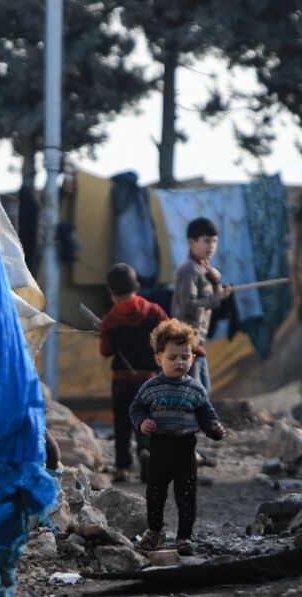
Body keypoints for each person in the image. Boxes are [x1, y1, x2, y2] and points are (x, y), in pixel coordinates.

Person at [129, 319, 227, 556]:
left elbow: (206, 413)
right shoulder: (150, 387)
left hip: (185, 448)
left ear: (192, 358)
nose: (179, 362)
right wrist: (143, 422)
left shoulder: (195, 389)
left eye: (184, 357)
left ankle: (184, 537)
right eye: (172, 357)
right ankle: (154, 530)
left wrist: (214, 428)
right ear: (158, 359)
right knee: (155, 493)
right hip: (160, 447)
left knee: (186, 495)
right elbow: (136, 408)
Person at [99, 263, 169, 483]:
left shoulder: (110, 319)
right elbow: (169, 332)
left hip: (121, 380)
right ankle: (145, 451)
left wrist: (105, 334)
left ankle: (121, 468)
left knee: (122, 423)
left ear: (111, 293)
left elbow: (106, 351)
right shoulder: (153, 311)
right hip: (148, 379)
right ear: (137, 286)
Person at [171, 217, 232, 395]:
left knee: (203, 389)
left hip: (199, 339)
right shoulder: (190, 269)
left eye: (214, 241)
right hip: (186, 341)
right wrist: (216, 297)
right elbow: (189, 306)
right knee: (196, 390)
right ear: (192, 242)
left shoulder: (204, 269)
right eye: (206, 240)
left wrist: (217, 285)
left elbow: (210, 298)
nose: (211, 246)